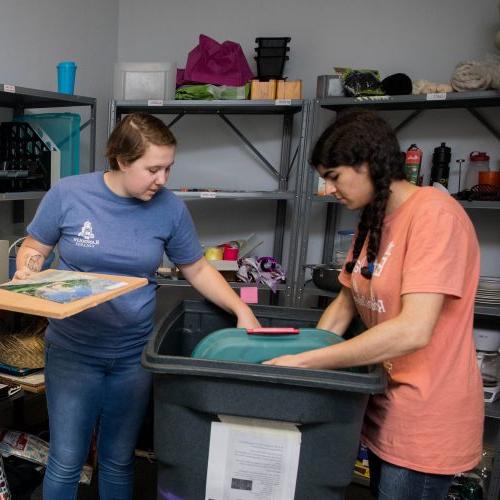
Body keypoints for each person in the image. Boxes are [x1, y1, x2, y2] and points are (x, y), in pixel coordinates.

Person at [14, 112, 260, 500]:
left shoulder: (169, 208)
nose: (163, 180)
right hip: (73, 353)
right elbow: (35, 247)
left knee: (117, 459)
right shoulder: (69, 194)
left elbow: (195, 267)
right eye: (153, 169)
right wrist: (27, 270)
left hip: (133, 355)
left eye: (168, 168)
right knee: (66, 459)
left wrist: (242, 310)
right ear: (122, 160)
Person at [264, 110, 484, 499]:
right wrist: (298, 356)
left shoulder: (434, 215)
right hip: (383, 403)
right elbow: (345, 303)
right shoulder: (377, 216)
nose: (328, 189)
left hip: (426, 417)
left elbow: (413, 330)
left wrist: (306, 362)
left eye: (334, 176)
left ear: (366, 163)